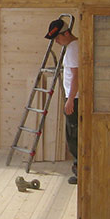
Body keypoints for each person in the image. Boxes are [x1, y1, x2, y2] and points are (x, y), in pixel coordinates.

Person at [45, 18, 79, 185]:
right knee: (73, 134)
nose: (56, 41)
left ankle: (80, 172)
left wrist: (71, 99)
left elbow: (76, 76)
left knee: (73, 135)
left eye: (58, 38)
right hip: (74, 97)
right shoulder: (72, 47)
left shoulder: (73, 49)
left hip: (76, 98)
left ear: (66, 33)